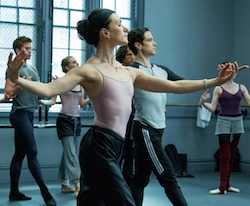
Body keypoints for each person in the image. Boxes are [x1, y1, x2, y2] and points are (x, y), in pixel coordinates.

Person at [6, 9, 247, 206]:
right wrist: (17, 79)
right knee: (125, 202)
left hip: (117, 145)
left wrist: (215, 81)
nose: (124, 29)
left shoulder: (129, 71)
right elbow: (49, 90)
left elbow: (174, 86)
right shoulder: (88, 70)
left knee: (91, 202)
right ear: (105, 33)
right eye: (119, 24)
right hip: (98, 146)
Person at [127, 27, 188, 206]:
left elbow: (183, 84)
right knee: (168, 177)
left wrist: (216, 81)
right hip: (145, 130)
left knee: (140, 179)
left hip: (157, 130)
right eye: (150, 40)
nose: (155, 43)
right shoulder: (132, 70)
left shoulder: (161, 70)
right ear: (138, 45)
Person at [4, 36, 56, 206]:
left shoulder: (32, 69)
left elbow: (39, 91)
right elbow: (9, 93)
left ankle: (13, 192)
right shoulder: (13, 69)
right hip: (19, 114)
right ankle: (45, 192)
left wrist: (51, 88)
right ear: (18, 51)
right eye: (26, 48)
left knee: (20, 153)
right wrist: (22, 84)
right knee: (32, 151)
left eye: (30, 48)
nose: (29, 51)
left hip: (30, 113)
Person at [40, 56, 90, 197]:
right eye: (74, 62)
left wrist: (93, 97)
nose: (78, 63)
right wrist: (41, 102)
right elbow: (51, 101)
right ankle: (77, 183)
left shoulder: (80, 83)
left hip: (77, 121)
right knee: (71, 153)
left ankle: (64, 183)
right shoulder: (61, 82)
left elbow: (81, 104)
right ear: (67, 67)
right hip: (64, 120)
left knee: (69, 153)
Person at [200, 61, 250, 195]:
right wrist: (203, 102)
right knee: (225, 156)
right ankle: (222, 187)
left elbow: (249, 102)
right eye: (227, 69)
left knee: (232, 155)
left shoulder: (242, 87)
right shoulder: (219, 88)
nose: (230, 71)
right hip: (223, 121)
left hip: (237, 121)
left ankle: (227, 185)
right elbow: (212, 108)